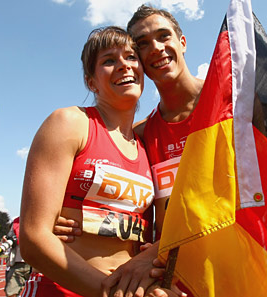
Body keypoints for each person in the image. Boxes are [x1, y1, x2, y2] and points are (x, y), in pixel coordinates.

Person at [55, 5, 204, 297]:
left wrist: (151, 254)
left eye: (163, 36)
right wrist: (60, 219)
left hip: (246, 271)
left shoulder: (235, 103)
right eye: (143, 44)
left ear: (182, 42)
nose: (156, 48)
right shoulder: (142, 135)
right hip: (173, 285)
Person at [19, 26, 156, 297]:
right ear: (91, 82)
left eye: (131, 57)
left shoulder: (147, 140)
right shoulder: (70, 123)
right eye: (108, 60)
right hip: (61, 290)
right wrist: (110, 292)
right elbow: (34, 238)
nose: (123, 66)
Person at [0, 217, 31, 297]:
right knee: (11, 292)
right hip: (17, 263)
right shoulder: (16, 223)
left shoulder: (43, 218)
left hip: (36, 264)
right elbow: (10, 239)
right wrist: (4, 244)